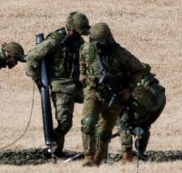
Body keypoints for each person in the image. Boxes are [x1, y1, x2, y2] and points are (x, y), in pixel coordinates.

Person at [79, 22, 145, 167]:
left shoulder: (120, 54)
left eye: (101, 42)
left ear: (108, 38)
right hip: (93, 91)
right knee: (88, 122)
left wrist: (129, 89)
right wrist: (82, 74)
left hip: (114, 96)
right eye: (96, 42)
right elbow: (82, 62)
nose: (99, 46)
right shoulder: (86, 49)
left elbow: (139, 69)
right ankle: (88, 156)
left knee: (104, 131)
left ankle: (96, 160)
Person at [25, 11, 90, 157]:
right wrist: (37, 78)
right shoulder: (55, 41)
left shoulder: (78, 40)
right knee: (65, 123)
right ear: (71, 28)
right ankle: (54, 151)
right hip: (61, 86)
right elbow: (33, 57)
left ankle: (94, 149)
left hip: (77, 84)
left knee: (98, 103)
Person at [116, 63, 166, 163]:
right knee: (143, 124)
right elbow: (146, 66)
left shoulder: (116, 68)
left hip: (144, 95)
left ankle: (128, 155)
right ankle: (140, 154)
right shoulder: (132, 64)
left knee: (123, 123)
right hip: (160, 95)